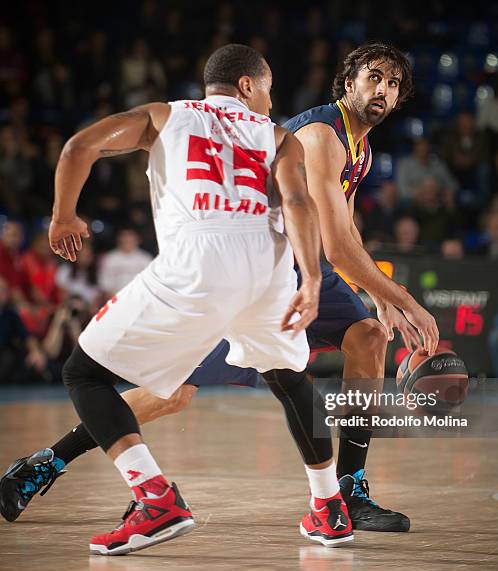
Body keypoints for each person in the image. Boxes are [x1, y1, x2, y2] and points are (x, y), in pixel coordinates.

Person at [1, 43, 439, 535]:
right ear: (349, 82)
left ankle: (348, 490)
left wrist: (377, 294)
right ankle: (49, 460)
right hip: (261, 262)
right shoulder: (319, 136)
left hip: (298, 262)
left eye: (393, 84)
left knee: (368, 338)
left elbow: (344, 230)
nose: (382, 89)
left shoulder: (359, 146)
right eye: (373, 77)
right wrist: (406, 299)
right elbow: (335, 244)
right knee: (174, 393)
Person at [98, 228, 152, 295]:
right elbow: (105, 284)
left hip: (140, 297)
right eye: (124, 238)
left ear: (137, 240)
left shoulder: (146, 258)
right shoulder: (110, 258)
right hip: (116, 298)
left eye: (130, 237)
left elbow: (150, 283)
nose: (127, 240)